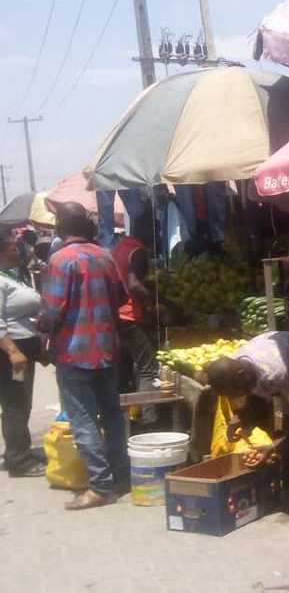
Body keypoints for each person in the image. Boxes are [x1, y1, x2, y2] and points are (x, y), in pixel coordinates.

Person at [40, 203, 128, 510]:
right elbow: (122, 298)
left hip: (74, 351)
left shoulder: (60, 260)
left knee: (84, 420)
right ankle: (120, 476)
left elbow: (51, 310)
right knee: (113, 416)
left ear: (61, 229)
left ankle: (101, 487)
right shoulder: (105, 256)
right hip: (106, 348)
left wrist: (42, 337)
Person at [205, 331, 289, 520]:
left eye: (235, 393)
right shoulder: (238, 366)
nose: (236, 397)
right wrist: (239, 418)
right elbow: (255, 395)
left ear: (242, 376)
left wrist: (273, 445)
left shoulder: (277, 372)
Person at [0, 233, 46, 477]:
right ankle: (19, 461)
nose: (17, 251)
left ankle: (18, 451)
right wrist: (13, 351)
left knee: (21, 402)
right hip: (9, 352)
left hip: (22, 347)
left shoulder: (12, 276)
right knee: (15, 404)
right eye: (11, 248)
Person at [113, 212, 160, 402]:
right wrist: (157, 301)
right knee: (148, 369)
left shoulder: (120, 246)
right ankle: (149, 420)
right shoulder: (138, 251)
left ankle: (127, 416)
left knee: (124, 367)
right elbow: (133, 284)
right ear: (150, 231)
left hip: (117, 315)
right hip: (131, 316)